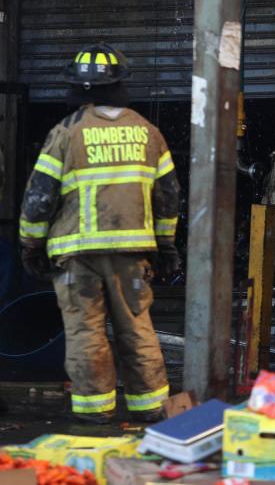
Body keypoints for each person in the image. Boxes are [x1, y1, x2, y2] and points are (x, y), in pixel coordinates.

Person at [18, 42, 181, 424]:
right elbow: (169, 194)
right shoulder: (147, 132)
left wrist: (30, 244)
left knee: (85, 332)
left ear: (80, 88)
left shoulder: (67, 133)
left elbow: (39, 196)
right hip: (132, 253)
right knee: (137, 329)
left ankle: (94, 415)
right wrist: (166, 245)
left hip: (78, 257)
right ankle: (152, 409)